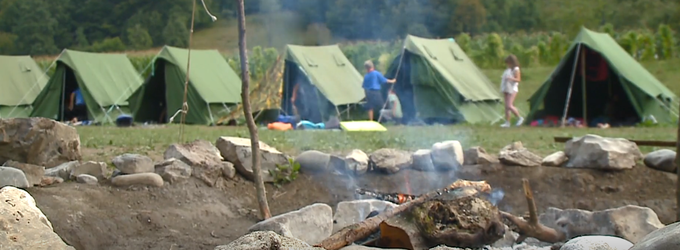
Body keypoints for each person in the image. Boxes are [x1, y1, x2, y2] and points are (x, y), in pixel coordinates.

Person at [500, 55, 524, 127]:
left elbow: (518, 79)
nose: (507, 64)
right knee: (506, 106)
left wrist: (510, 78)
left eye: (508, 63)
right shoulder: (509, 69)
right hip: (507, 87)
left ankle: (520, 118)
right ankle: (507, 122)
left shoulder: (516, 69)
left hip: (513, 88)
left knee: (509, 105)